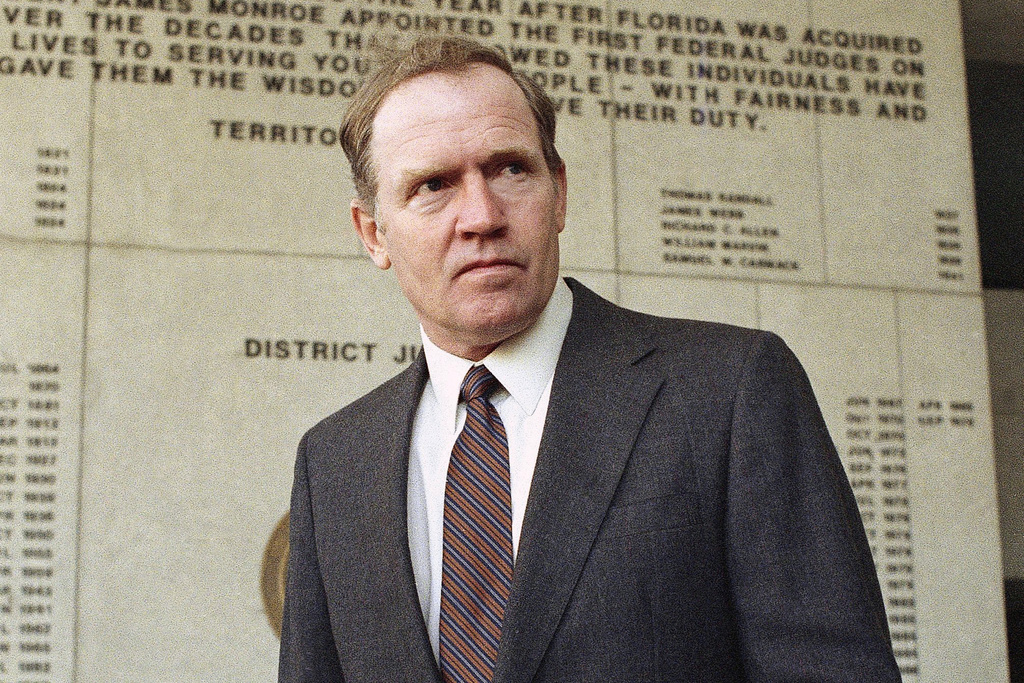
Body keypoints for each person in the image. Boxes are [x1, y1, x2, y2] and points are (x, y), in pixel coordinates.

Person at [279, 36, 901, 683]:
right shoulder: (334, 465)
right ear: (373, 233)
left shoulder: (729, 393)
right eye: (433, 185)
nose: (482, 216)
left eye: (510, 169)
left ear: (560, 193)